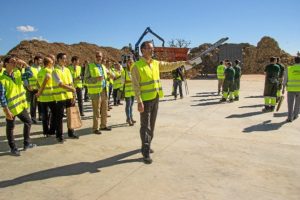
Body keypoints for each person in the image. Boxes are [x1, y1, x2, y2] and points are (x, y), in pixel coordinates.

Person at [131, 41, 188, 164]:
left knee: (152, 124)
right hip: (145, 100)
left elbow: (168, 65)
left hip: (155, 97)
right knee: (145, 126)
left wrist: (182, 63)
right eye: (150, 48)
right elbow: (135, 86)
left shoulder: (155, 63)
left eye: (153, 49)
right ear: (143, 50)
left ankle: (147, 144)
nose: (153, 50)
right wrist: (139, 101)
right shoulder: (136, 66)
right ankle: (145, 152)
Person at [0, 55, 36, 156]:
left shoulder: (18, 73)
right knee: (10, 127)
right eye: (12, 61)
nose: (15, 63)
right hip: (10, 108)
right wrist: (6, 111)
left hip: (20, 106)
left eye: (16, 61)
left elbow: (30, 74)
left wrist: (25, 64)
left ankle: (26, 144)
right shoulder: (1, 79)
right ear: (5, 64)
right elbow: (2, 97)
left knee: (28, 122)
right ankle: (13, 148)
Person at [52, 53, 79, 143]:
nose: (65, 60)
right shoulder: (55, 71)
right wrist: (71, 89)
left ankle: (71, 132)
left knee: (70, 115)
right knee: (59, 117)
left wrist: (73, 95)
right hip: (60, 97)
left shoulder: (67, 70)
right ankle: (59, 135)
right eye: (63, 58)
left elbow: (71, 83)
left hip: (69, 96)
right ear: (58, 59)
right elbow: (60, 84)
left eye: (65, 58)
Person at [84, 51, 111, 135]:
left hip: (104, 90)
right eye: (97, 56)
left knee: (104, 110)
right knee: (96, 111)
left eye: (100, 56)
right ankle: (95, 128)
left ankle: (103, 125)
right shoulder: (90, 66)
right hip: (96, 92)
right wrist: (96, 79)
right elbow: (86, 80)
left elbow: (106, 77)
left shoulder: (103, 66)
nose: (99, 58)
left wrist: (110, 76)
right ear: (94, 57)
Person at [36, 57, 56, 137]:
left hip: (42, 98)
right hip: (50, 97)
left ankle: (45, 132)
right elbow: (44, 83)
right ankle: (51, 131)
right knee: (54, 114)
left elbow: (37, 84)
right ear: (48, 63)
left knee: (45, 115)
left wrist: (39, 93)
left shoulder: (40, 71)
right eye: (51, 62)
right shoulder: (49, 71)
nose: (53, 63)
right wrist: (39, 92)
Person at [282, 56, 300, 122]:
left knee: (290, 104)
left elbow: (285, 79)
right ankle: (295, 115)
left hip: (291, 89)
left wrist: (283, 88)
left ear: (294, 61)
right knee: (298, 104)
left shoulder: (289, 69)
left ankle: (289, 118)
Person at [28, 55, 43, 123]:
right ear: (36, 60)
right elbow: (25, 78)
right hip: (33, 89)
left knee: (40, 103)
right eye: (39, 60)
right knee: (33, 104)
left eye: (41, 60)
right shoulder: (30, 68)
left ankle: (40, 116)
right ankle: (33, 118)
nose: (41, 62)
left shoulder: (41, 68)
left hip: (40, 89)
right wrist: (28, 86)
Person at [122, 57, 136, 126]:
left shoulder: (134, 70)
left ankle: (131, 117)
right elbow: (122, 81)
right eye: (129, 62)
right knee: (128, 105)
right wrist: (130, 81)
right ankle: (128, 118)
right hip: (127, 91)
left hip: (133, 91)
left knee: (131, 106)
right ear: (127, 63)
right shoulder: (124, 71)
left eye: (132, 62)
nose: (131, 63)